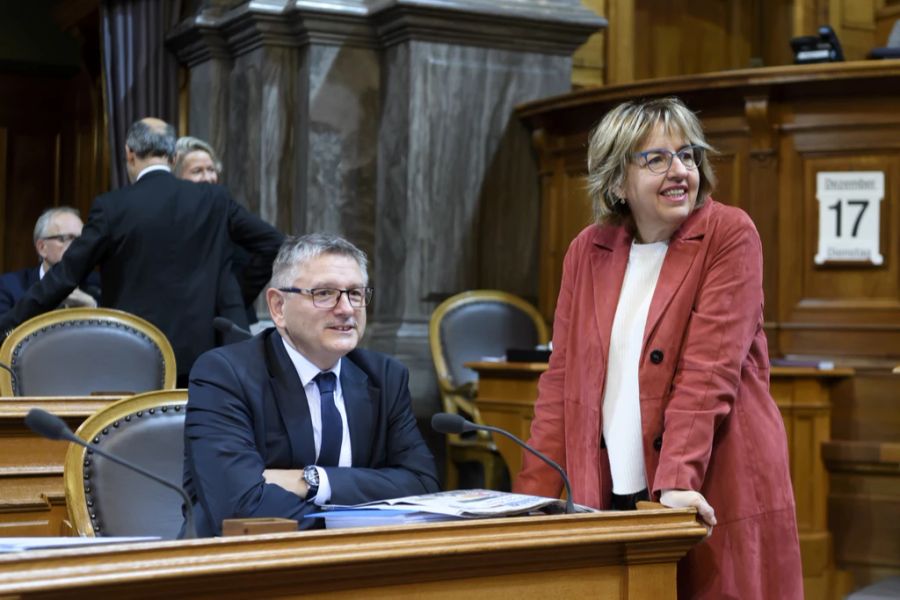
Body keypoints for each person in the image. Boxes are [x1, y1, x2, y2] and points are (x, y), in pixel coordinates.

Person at [513, 97, 802, 599]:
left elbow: (707, 373)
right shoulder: (588, 250)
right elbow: (562, 384)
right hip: (610, 495)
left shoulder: (729, 235)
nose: (680, 171)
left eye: (688, 155)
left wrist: (676, 482)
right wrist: (527, 504)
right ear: (617, 180)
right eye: (656, 159)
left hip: (706, 489)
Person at [182, 233, 439, 537]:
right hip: (245, 567)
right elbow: (241, 509)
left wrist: (314, 481)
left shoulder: (385, 376)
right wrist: (356, 518)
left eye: (355, 294)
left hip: (358, 566)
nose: (346, 309)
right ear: (278, 307)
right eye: (325, 293)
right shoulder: (224, 375)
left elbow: (422, 486)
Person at [0, 118, 284, 383]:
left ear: (129, 154)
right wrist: (232, 293)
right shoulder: (213, 199)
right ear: (173, 157)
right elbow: (272, 242)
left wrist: (9, 324)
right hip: (205, 354)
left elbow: (65, 276)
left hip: (134, 356)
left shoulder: (112, 207)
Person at [174, 135, 260, 334]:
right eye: (197, 171)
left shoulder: (227, 212)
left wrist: (235, 295)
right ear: (177, 178)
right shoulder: (171, 220)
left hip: (230, 321)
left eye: (211, 170)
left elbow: (265, 247)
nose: (208, 177)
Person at [0, 207, 100, 314]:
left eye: (81, 239)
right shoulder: (9, 286)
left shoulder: (99, 285)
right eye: (66, 238)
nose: (77, 246)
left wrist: (93, 308)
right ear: (42, 248)